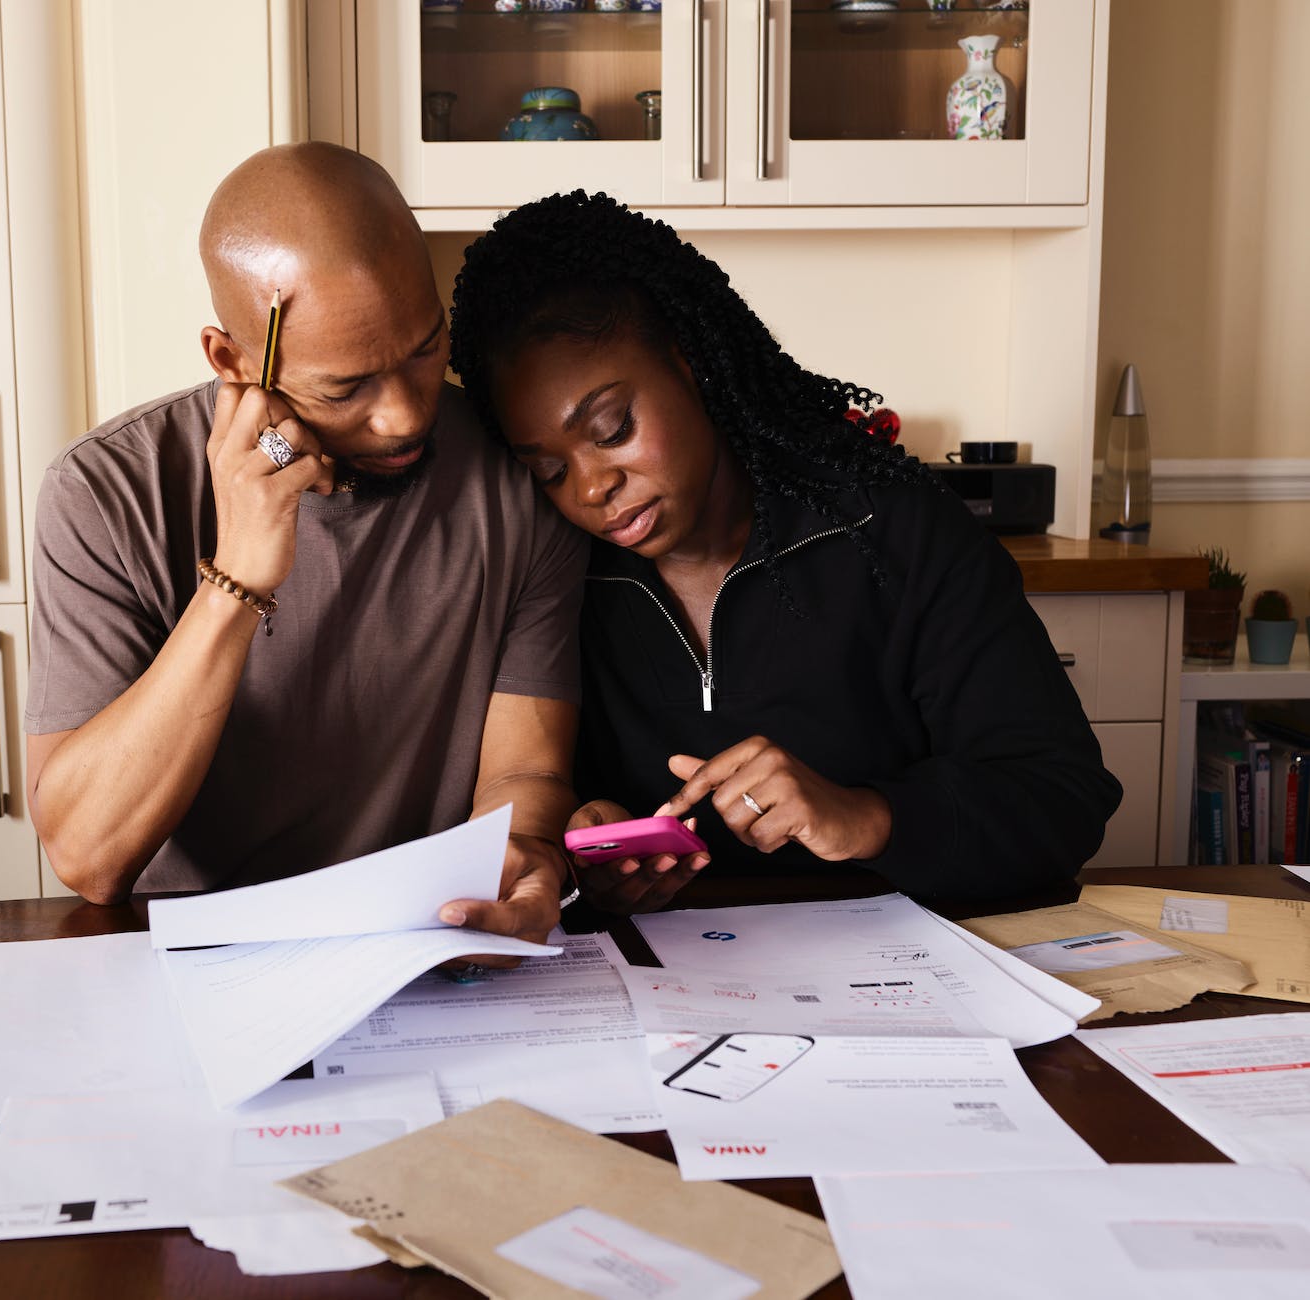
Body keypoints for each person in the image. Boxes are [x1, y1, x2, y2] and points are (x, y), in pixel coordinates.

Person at [447, 190, 1121, 909]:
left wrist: (866, 817)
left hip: (906, 971)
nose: (590, 487)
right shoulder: (560, 577)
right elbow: (544, 793)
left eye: (612, 429)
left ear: (690, 362)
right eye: (547, 470)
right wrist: (588, 852)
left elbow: (1062, 799)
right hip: (670, 986)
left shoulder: (893, 531)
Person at [23, 144, 585, 952]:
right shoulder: (105, 492)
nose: (401, 417)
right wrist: (241, 574)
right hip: (186, 956)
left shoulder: (517, 472)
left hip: (423, 942)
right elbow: (89, 858)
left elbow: (522, 773)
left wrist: (524, 855)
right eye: (344, 387)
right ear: (232, 360)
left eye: (425, 349)